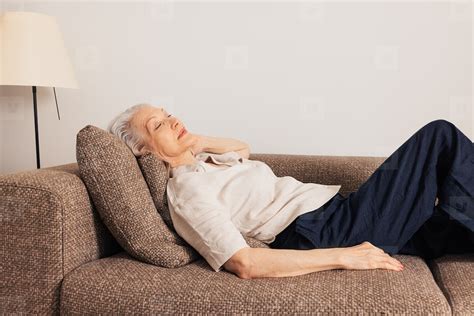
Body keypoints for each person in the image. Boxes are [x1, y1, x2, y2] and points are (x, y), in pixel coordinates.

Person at [108, 102, 474, 279]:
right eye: (159, 125)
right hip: (326, 231)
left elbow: (242, 148)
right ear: (145, 150)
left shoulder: (205, 161)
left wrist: (194, 141)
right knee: (438, 136)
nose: (173, 120)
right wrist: (342, 256)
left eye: (168, 112)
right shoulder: (187, 192)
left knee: (451, 226)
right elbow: (244, 263)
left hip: (339, 212)